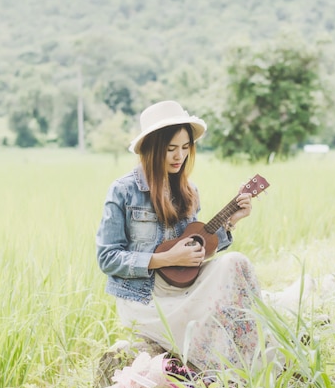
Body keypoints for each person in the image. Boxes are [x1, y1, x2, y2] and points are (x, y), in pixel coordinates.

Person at [95, 100, 264, 373]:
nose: (179, 156)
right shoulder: (123, 191)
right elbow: (107, 258)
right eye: (171, 148)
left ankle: (255, 356)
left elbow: (195, 246)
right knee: (217, 311)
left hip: (184, 287)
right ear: (151, 148)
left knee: (236, 262)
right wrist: (164, 258)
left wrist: (230, 222)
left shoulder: (189, 190)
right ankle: (226, 371)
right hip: (145, 298)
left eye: (185, 148)